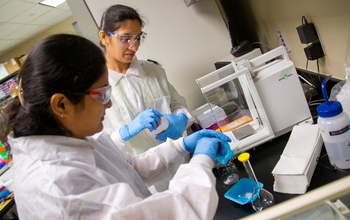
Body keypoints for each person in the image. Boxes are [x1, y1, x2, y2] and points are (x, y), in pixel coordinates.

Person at [0, 34, 232, 219]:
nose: (109, 102)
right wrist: (202, 159)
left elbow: (129, 169)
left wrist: (182, 146)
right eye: (101, 94)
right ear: (61, 104)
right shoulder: (56, 184)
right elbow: (175, 214)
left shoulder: (71, 136)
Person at [98, 4, 195, 156]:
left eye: (138, 38)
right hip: (143, 176)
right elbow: (99, 144)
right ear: (104, 37)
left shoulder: (154, 72)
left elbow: (178, 104)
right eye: (125, 38)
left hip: (182, 162)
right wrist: (124, 133)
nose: (134, 47)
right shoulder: (96, 88)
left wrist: (180, 119)